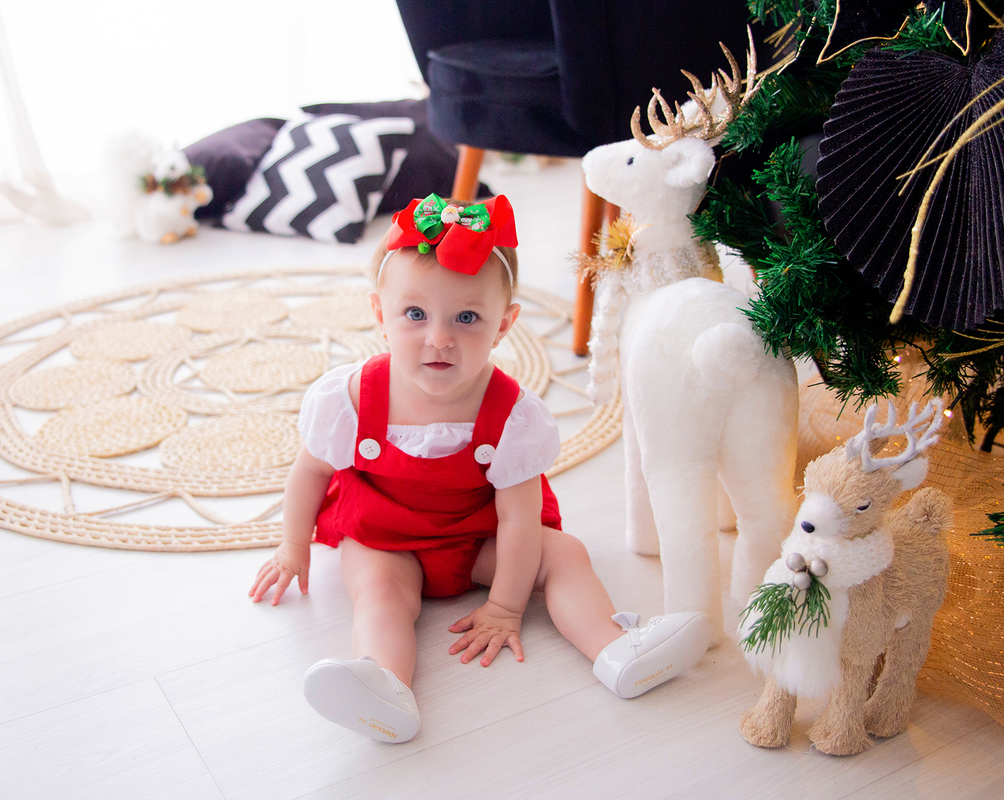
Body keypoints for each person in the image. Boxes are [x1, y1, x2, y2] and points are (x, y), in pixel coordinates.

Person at [249, 193, 710, 743]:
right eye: (415, 314)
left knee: (564, 553)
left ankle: (613, 648)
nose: (439, 338)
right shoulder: (350, 398)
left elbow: (518, 520)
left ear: (504, 324)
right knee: (380, 594)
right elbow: (310, 473)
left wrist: (505, 607)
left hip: (479, 539)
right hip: (385, 538)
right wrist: (292, 546)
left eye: (467, 318)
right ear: (380, 313)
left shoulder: (512, 415)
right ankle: (384, 685)